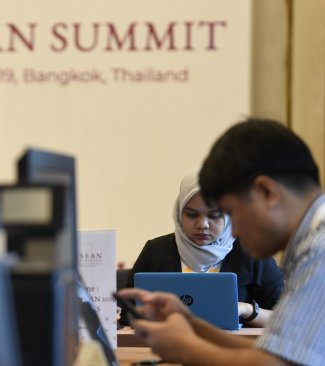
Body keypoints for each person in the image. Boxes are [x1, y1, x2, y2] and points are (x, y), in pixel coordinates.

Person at [119, 118, 325, 365]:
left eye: (229, 213)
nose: (233, 232)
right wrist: (192, 323)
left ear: (267, 192)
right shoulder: (309, 243)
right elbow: (275, 352)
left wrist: (184, 347)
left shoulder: (318, 250)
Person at [126, 170, 284, 327]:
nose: (202, 225)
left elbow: (286, 318)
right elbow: (127, 311)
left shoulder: (251, 252)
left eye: (214, 215)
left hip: (232, 348)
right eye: (192, 215)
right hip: (166, 346)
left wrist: (246, 309)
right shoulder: (155, 251)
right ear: (179, 214)